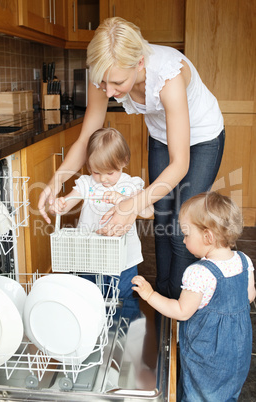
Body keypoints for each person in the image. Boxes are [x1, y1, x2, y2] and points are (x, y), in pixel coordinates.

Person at [38, 17, 225, 299]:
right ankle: (163, 298)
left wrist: (131, 205)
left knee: (182, 228)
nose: (109, 92)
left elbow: (180, 163)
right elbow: (86, 139)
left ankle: (182, 307)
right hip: (162, 136)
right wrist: (55, 182)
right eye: (103, 83)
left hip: (203, 138)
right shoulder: (105, 76)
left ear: (139, 63)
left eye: (117, 83)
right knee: (161, 218)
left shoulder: (168, 75)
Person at [132, 192, 256, 401]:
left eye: (187, 234)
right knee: (226, 393)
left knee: (199, 394)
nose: (183, 239)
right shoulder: (244, 260)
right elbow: (249, 297)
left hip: (206, 358)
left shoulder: (199, 273)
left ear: (208, 237)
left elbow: (181, 311)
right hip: (237, 352)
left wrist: (150, 294)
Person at [53, 127, 153, 300]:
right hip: (89, 257)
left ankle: (120, 325)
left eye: (110, 173)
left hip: (123, 261)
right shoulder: (87, 183)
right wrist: (60, 204)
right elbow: (68, 203)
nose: (103, 179)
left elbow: (148, 211)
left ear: (124, 162)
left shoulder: (130, 185)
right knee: (87, 299)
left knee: (123, 300)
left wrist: (125, 200)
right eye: (96, 172)